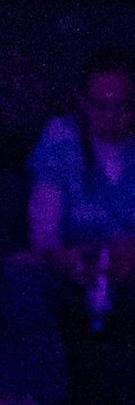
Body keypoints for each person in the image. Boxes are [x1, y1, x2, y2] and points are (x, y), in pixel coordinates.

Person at [15, 58, 135, 325]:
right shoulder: (61, 138)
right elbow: (44, 233)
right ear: (83, 102)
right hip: (71, 264)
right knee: (22, 279)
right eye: (100, 105)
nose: (111, 116)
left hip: (130, 267)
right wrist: (71, 261)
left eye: (122, 105)